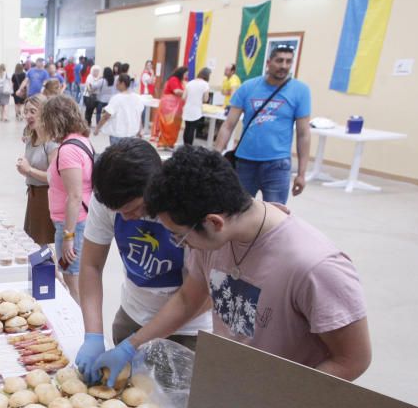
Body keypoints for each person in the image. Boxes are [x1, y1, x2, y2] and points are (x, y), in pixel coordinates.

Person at [90, 146, 371, 386]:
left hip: (285, 401)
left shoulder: (315, 266)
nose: (182, 245)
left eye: (180, 236)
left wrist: (285, 397)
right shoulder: (211, 243)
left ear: (214, 222)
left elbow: (353, 359)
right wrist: (131, 345)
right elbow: (189, 298)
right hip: (232, 384)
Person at [74, 138, 211, 380]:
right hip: (132, 317)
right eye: (120, 213)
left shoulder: (190, 204)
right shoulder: (108, 197)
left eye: (133, 208)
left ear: (157, 187)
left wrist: (132, 345)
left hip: (188, 330)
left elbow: (196, 296)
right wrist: (93, 334)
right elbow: (91, 265)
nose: (126, 218)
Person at [214, 44, 311, 205]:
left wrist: (301, 173)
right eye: (279, 61)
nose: (284, 66)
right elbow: (228, 125)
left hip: (277, 165)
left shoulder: (300, 91)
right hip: (245, 162)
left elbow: (303, 134)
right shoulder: (248, 87)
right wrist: (216, 154)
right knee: (238, 210)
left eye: (288, 62)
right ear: (268, 62)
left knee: (275, 214)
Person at [39, 95, 93, 299]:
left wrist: (68, 237)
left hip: (72, 224)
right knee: (74, 278)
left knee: (73, 281)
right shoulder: (81, 141)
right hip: (76, 222)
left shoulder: (69, 150)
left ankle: (79, 326)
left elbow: (75, 195)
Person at [15, 93, 57, 246]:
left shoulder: (51, 141)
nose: (28, 115)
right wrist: (25, 170)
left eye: (33, 111)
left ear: (44, 113)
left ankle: (54, 271)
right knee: (36, 246)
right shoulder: (31, 138)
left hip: (47, 199)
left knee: (46, 248)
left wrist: (29, 170)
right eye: (26, 111)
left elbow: (55, 178)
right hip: (33, 196)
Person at [93, 73, 144, 144]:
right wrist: (140, 130)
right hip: (132, 135)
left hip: (118, 135)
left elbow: (106, 116)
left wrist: (97, 128)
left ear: (122, 83)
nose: (116, 84)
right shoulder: (137, 98)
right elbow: (139, 115)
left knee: (116, 154)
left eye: (117, 82)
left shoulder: (116, 98)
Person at [151, 65, 187, 150]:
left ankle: (170, 143)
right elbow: (176, 91)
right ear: (181, 73)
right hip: (169, 105)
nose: (186, 76)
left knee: (175, 125)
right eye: (186, 74)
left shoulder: (181, 81)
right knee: (168, 124)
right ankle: (164, 143)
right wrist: (188, 92)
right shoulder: (173, 79)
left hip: (177, 106)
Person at [181, 67, 211, 146]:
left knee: (187, 128)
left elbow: (183, 97)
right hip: (196, 110)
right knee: (192, 129)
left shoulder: (190, 83)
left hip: (187, 109)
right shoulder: (205, 84)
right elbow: (205, 99)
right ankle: (189, 148)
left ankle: (185, 146)